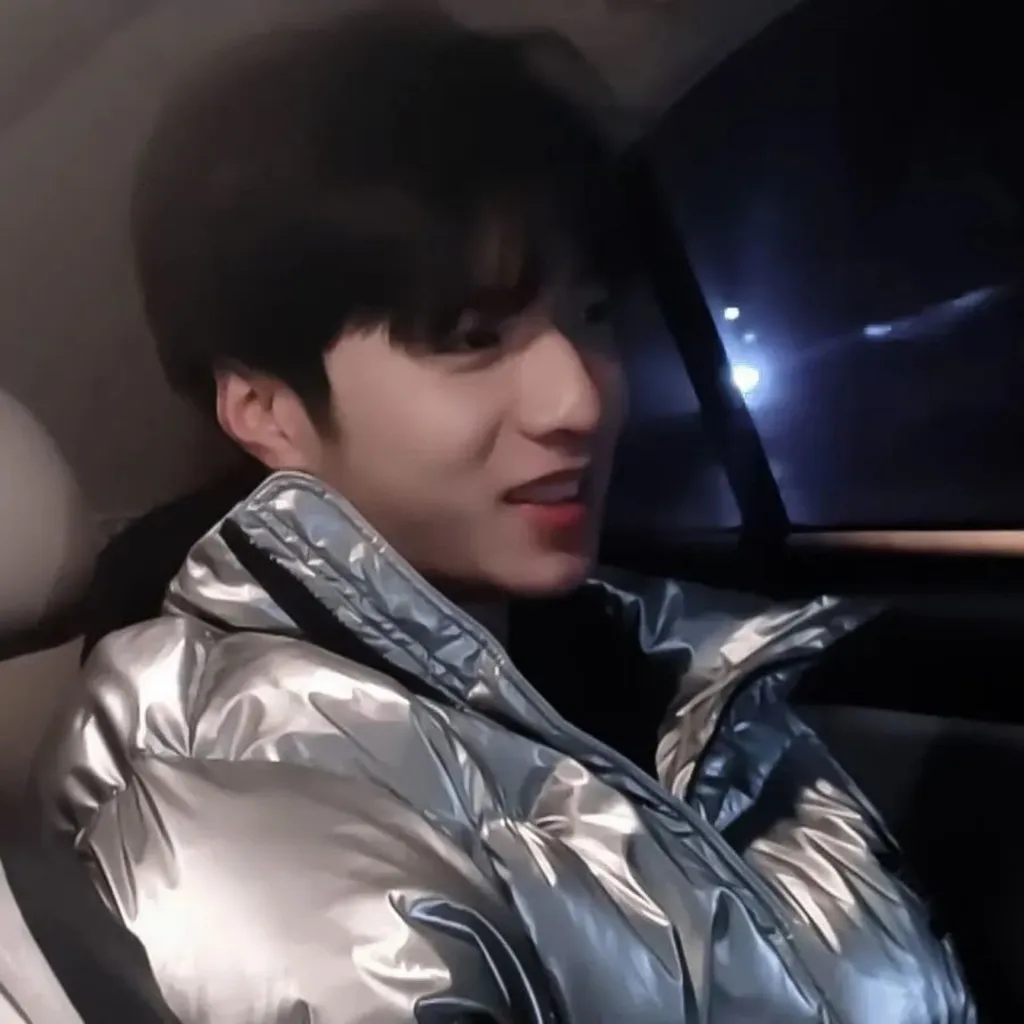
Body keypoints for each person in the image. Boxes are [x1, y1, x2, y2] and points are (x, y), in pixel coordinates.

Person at [31, 10, 973, 1023]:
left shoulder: (654, 669)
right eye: (471, 338)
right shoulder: (240, 801)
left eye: (591, 315)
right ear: (265, 408)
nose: (579, 399)